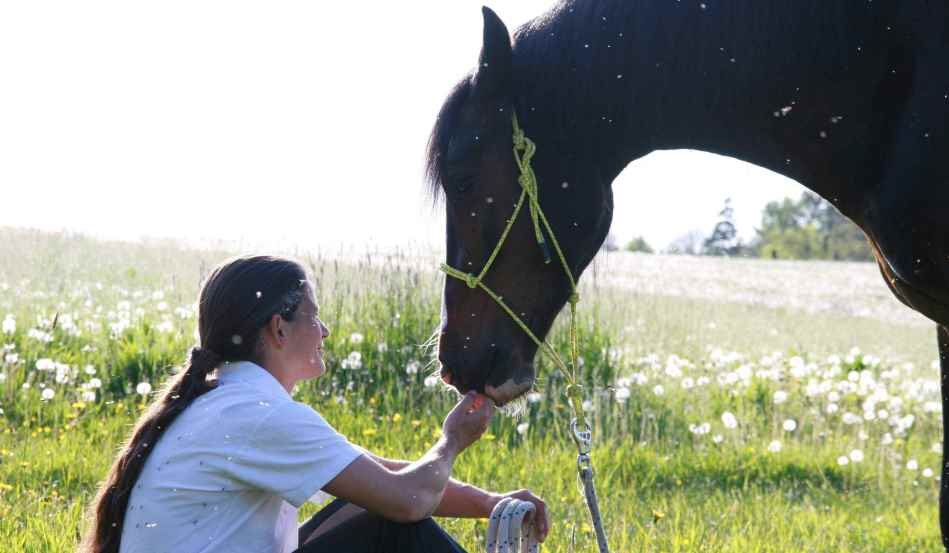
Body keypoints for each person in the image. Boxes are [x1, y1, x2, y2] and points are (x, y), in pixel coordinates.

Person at [78, 254, 549, 553]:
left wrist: (492, 503)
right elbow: (408, 499)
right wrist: (451, 441)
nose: (324, 332)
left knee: (377, 513)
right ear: (278, 330)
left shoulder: (232, 402)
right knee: (394, 526)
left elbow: (385, 477)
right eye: (314, 317)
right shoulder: (255, 415)